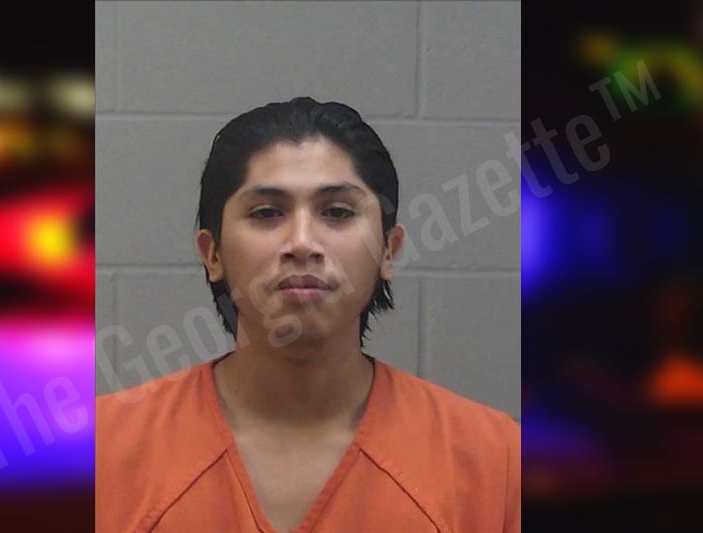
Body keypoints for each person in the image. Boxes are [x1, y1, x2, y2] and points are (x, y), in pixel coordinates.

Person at [96, 97, 520, 532]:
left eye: (337, 212)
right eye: (267, 213)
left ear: (388, 251)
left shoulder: (494, 458)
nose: (302, 242)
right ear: (213, 253)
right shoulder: (99, 450)